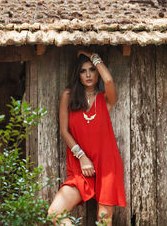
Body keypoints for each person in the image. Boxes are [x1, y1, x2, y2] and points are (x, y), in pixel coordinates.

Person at [48, 50, 126, 225]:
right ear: (78, 74)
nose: (89, 74)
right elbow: (64, 131)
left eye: (92, 69)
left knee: (103, 219)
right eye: (83, 71)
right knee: (55, 212)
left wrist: (94, 57)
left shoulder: (105, 99)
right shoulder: (68, 96)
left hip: (107, 165)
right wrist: (82, 157)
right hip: (81, 166)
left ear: (98, 71)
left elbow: (109, 81)